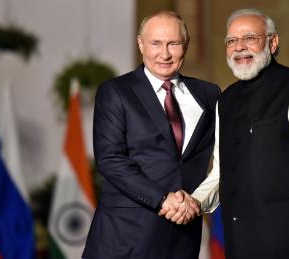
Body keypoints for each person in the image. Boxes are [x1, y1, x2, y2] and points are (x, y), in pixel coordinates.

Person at [191, 9, 289, 259]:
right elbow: (221, 173)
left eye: (250, 38)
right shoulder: (225, 100)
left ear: (272, 42)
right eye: (231, 41)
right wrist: (194, 202)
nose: (239, 47)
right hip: (238, 245)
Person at [82, 10, 220, 259]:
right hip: (125, 239)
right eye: (156, 43)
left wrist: (196, 202)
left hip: (183, 237)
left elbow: (222, 157)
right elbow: (110, 159)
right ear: (140, 44)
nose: (164, 54)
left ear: (185, 46)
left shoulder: (209, 94)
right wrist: (162, 199)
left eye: (173, 44)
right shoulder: (116, 92)